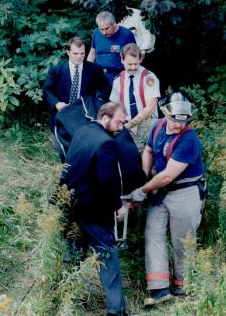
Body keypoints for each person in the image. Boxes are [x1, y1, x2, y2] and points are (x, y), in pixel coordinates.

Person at [123, 92, 206, 306]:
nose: (179, 126)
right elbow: (149, 150)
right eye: (175, 121)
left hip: (184, 192)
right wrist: (143, 176)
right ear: (165, 114)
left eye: (184, 122)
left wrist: (142, 190)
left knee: (182, 241)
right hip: (159, 191)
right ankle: (159, 290)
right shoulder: (158, 126)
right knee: (153, 234)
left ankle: (183, 284)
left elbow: (169, 174)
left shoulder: (190, 140)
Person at [59, 102, 129, 316]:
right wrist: (119, 206)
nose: (122, 127)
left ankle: (64, 302)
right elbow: (107, 181)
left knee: (72, 256)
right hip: (93, 211)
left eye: (124, 122)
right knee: (108, 258)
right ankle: (116, 311)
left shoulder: (82, 131)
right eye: (119, 122)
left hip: (69, 205)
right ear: (105, 118)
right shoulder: (107, 143)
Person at [43, 36, 110, 133]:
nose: (79, 57)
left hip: (85, 114)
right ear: (68, 52)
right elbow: (47, 91)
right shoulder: (56, 70)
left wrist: (95, 104)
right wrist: (57, 104)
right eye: (75, 53)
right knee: (62, 144)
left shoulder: (94, 70)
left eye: (82, 53)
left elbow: (106, 89)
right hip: (62, 113)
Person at [109, 43, 160, 147]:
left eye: (136, 64)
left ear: (140, 59)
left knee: (147, 157)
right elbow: (113, 107)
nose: (133, 67)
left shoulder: (149, 78)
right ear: (122, 60)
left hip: (147, 124)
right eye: (129, 64)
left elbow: (150, 108)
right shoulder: (118, 80)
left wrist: (129, 125)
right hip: (126, 125)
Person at [87, 11, 136, 85]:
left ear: (114, 24)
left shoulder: (126, 35)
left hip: (118, 76)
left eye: (106, 29)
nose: (104, 33)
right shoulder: (96, 33)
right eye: (101, 29)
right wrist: (87, 70)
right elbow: (92, 53)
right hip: (98, 74)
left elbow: (133, 57)